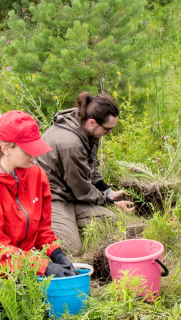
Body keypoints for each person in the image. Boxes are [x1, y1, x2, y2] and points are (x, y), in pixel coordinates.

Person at [0, 110, 76, 283]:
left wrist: (57, 254)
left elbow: (42, 230)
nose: (34, 155)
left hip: (23, 268)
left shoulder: (37, 176)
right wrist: (44, 267)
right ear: (6, 149)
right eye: (28, 150)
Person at [37, 92, 134, 255]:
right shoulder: (71, 144)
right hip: (50, 196)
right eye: (108, 130)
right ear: (92, 121)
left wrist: (108, 191)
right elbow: (82, 189)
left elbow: (91, 166)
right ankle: (43, 227)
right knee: (72, 249)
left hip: (68, 192)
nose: (108, 134)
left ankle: (66, 222)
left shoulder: (87, 129)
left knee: (109, 219)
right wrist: (109, 201)